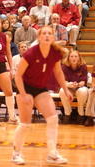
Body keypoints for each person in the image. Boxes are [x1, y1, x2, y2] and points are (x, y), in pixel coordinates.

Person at [11, 26, 73, 165]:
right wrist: (23, 93)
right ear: (39, 37)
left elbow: (58, 72)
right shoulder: (31, 53)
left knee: (53, 119)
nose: (46, 35)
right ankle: (16, 153)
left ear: (53, 37)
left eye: (49, 33)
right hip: (25, 87)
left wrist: (66, 89)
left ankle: (52, 154)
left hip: (40, 88)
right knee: (25, 124)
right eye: (44, 33)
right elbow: (18, 76)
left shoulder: (55, 53)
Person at [59, 50, 88, 124]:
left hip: (79, 87)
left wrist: (78, 85)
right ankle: (67, 114)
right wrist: (70, 84)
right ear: (68, 58)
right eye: (71, 56)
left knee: (83, 91)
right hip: (69, 87)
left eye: (75, 56)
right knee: (62, 91)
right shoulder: (64, 67)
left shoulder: (83, 66)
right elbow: (63, 82)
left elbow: (83, 81)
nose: (73, 58)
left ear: (79, 58)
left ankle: (81, 114)